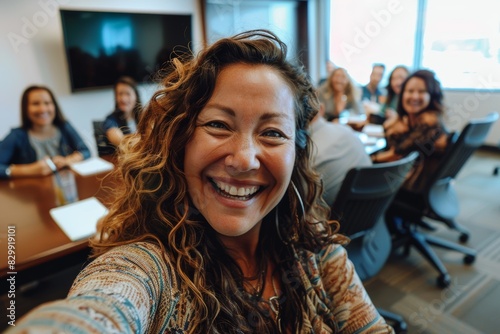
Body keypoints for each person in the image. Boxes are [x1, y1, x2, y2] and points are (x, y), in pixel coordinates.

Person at [8, 30, 393, 333]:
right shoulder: (149, 271)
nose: (244, 159)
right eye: (217, 125)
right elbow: (103, 307)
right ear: (180, 143)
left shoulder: (317, 252)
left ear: (298, 152)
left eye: (273, 133)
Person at [372, 69, 449, 192]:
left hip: (413, 189)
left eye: (421, 91)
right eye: (410, 91)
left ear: (431, 96)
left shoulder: (430, 124)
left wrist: (372, 159)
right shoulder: (411, 121)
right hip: (413, 183)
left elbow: (397, 152)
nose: (415, 96)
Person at [0, 85, 90, 179]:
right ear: (25, 108)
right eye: (35, 104)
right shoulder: (16, 136)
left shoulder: (64, 127)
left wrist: (67, 160)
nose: (43, 109)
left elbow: (85, 151)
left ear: (54, 106)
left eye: (47, 103)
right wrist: (28, 170)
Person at [309, 103, 372, 206]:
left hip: (333, 219)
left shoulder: (308, 154)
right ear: (321, 109)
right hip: (370, 212)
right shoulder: (347, 131)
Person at [102, 76, 142, 148]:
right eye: (120, 94)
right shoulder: (110, 120)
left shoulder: (145, 116)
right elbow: (120, 141)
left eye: (128, 94)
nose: (123, 99)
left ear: (136, 96)